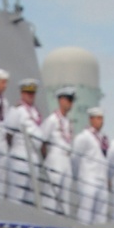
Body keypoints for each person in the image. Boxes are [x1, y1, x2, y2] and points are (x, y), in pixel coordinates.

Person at [39, 85, 75, 214]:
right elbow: (42, 139)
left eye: (72, 100)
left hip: (66, 159)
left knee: (65, 197)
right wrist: (46, 159)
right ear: (61, 100)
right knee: (51, 194)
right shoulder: (52, 120)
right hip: (55, 157)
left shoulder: (68, 122)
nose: (70, 103)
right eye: (68, 99)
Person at [7, 78, 43, 204]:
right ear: (22, 93)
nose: (31, 96)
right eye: (28, 93)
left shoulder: (35, 112)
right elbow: (9, 135)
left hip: (33, 160)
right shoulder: (17, 110)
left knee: (30, 199)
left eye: (32, 93)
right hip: (20, 158)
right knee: (16, 197)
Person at [73, 106, 108, 224]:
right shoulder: (84, 137)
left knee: (100, 215)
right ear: (91, 119)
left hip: (101, 179)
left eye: (101, 118)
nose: (101, 121)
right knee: (85, 213)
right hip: (88, 178)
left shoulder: (103, 138)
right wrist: (78, 176)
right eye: (98, 118)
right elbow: (75, 158)